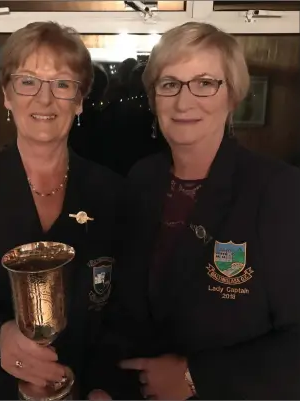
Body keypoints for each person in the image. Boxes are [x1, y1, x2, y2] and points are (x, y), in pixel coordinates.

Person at [87, 22, 300, 400]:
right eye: (169, 84)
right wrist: (103, 386)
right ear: (153, 98)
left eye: (204, 83)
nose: (184, 102)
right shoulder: (141, 180)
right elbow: (123, 307)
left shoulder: (279, 190)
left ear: (232, 95)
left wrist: (195, 378)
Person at [0, 22, 122, 400]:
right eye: (27, 81)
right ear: (7, 95)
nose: (44, 100)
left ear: (79, 100)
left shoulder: (110, 191)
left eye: (62, 84)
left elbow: (122, 311)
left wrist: (105, 388)